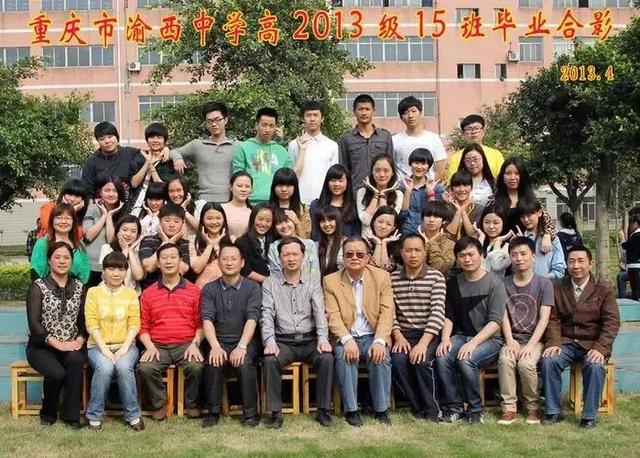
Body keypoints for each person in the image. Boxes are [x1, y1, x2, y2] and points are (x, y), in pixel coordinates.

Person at [541, 246, 620, 428]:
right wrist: (553, 342)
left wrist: (601, 348)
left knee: (594, 365)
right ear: (566, 264)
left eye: (581, 261)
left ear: (591, 263)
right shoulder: (557, 286)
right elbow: (553, 319)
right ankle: (553, 411)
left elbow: (612, 322)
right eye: (571, 261)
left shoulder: (604, 288)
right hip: (566, 342)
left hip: (592, 343)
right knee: (549, 360)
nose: (576, 266)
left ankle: (589, 416)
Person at [261, 237, 335, 428]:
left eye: (295, 254)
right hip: (283, 341)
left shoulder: (313, 282)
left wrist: (322, 339)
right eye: (286, 255)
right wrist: (270, 342)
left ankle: (323, 411)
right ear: (279, 258)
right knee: (270, 360)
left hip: (310, 340)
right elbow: (266, 314)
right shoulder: (270, 283)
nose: (291, 258)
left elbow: (319, 312)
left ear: (304, 256)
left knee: (326, 358)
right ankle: (276, 413)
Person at [324, 236, 395, 427]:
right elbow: (333, 315)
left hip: (373, 335)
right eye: (349, 254)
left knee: (381, 356)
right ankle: (351, 410)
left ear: (368, 257)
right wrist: (347, 340)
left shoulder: (381, 277)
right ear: (343, 257)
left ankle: (381, 410)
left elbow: (387, 312)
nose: (354, 258)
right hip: (347, 335)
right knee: (344, 356)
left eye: (359, 254)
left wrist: (380, 341)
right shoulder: (331, 281)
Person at [435, 237, 506, 424]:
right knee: (442, 356)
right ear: (457, 259)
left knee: (466, 359)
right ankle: (454, 408)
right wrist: (445, 339)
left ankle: (475, 410)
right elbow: (449, 316)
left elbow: (496, 322)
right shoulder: (453, 283)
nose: (467, 259)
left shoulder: (495, 283)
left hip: (490, 340)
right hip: (461, 336)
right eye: (462, 255)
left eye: (471, 254)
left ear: (481, 255)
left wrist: (473, 343)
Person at [138, 243, 204, 421]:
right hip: (158, 345)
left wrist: (195, 344)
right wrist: (149, 347)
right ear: (158, 263)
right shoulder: (148, 293)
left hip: (186, 344)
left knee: (196, 366)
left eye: (173, 257)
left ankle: (191, 403)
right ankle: (159, 403)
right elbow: (143, 326)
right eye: (164, 258)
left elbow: (201, 324)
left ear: (180, 261)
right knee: (146, 368)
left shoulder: (194, 291)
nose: (169, 261)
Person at [26, 241, 87, 428]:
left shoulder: (79, 286)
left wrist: (80, 339)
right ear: (49, 260)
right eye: (57, 257)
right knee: (56, 373)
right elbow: (34, 324)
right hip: (42, 346)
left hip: (71, 344)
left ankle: (71, 417)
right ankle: (48, 412)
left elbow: (84, 320)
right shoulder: (37, 287)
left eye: (66, 257)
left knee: (76, 361)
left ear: (71, 261)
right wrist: (57, 343)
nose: (62, 261)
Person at [201, 243, 262, 428]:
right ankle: (213, 412)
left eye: (233, 259)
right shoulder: (209, 289)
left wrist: (241, 347)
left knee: (244, 363)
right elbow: (207, 320)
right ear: (218, 262)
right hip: (218, 340)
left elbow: (252, 319)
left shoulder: (253, 288)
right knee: (214, 361)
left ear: (242, 263)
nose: (229, 263)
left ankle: (251, 414)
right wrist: (215, 346)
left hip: (245, 340)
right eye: (225, 259)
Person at [84, 251, 144, 431]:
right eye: (111, 269)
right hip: (97, 346)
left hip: (126, 346)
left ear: (126, 271)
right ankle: (94, 415)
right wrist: (104, 349)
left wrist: (124, 348)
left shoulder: (130, 294)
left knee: (124, 368)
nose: (116, 273)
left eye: (121, 269)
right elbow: (91, 322)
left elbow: (134, 322)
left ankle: (133, 415)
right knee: (105, 368)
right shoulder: (93, 292)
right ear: (103, 271)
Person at [497, 237, 554, 426]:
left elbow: (544, 319)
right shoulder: (503, 283)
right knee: (506, 359)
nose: (519, 258)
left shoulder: (544, 283)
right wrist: (510, 340)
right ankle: (509, 408)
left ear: (533, 256)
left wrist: (530, 345)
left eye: (523, 254)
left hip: (535, 340)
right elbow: (503, 316)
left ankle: (532, 407)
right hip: (512, 337)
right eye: (514, 255)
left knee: (526, 363)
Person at [390, 234, 446, 422]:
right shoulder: (393, 278)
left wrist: (422, 344)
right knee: (398, 360)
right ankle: (417, 406)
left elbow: (437, 313)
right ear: (401, 252)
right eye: (408, 250)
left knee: (421, 361)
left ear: (424, 253)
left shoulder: (435, 277)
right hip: (404, 334)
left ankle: (433, 409)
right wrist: (398, 336)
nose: (413, 254)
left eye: (417, 250)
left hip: (428, 334)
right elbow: (390, 312)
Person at [170, 101, 238, 203]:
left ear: (225, 120)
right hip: (205, 202)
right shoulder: (198, 145)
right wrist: (177, 158)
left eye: (217, 120)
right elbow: (172, 152)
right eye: (209, 121)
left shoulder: (238, 146)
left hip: (231, 202)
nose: (213, 124)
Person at [489, 157, 555, 248]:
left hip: (525, 249)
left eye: (517, 173)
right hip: (499, 249)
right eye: (508, 173)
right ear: (502, 176)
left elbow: (548, 222)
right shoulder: (493, 200)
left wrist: (547, 236)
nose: (512, 177)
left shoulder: (531, 199)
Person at [232, 107, 293, 204]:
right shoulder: (244, 147)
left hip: (276, 203)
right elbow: (237, 175)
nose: (267, 129)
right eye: (264, 125)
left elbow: (290, 177)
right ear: (256, 126)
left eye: (271, 126)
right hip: (250, 202)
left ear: (275, 128)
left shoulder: (282, 151)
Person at [338, 94, 393, 194]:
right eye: (360, 109)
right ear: (354, 111)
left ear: (373, 111)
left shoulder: (385, 136)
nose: (364, 113)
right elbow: (343, 168)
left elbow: (391, 165)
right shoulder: (346, 138)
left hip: (382, 191)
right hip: (355, 191)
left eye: (367, 109)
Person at [289, 101, 339, 205]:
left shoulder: (332, 145)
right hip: (299, 201)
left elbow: (334, 176)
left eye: (316, 115)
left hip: (324, 201)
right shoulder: (293, 145)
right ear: (303, 118)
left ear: (322, 118)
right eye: (308, 115)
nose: (312, 119)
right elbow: (291, 174)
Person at [30, 203, 90, 284]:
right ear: (52, 221)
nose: (63, 222)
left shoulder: (79, 245)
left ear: (73, 222)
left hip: (75, 289)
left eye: (68, 218)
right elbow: (36, 273)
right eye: (59, 218)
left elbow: (85, 274)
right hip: (47, 289)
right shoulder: (42, 244)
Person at [83, 177, 126, 287]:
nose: (111, 194)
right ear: (100, 192)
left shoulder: (123, 213)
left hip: (111, 268)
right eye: (107, 190)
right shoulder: (92, 209)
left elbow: (111, 240)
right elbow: (88, 236)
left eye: (115, 191)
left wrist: (110, 215)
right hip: (89, 265)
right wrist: (104, 215)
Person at [392, 96, 447, 182]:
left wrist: (426, 186)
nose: (410, 116)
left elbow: (441, 171)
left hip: (428, 188)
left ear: (420, 113)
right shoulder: (394, 140)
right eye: (405, 113)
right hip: (402, 188)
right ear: (401, 117)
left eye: (413, 111)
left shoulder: (434, 139)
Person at [138, 203, 191, 291]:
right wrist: (165, 243)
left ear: (183, 223)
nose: (171, 225)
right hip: (150, 291)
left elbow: (181, 270)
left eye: (176, 221)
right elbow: (149, 267)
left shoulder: (186, 244)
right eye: (167, 220)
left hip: (179, 293)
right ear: (159, 221)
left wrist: (171, 242)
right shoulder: (148, 240)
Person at [129, 122, 175, 214]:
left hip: (159, 204)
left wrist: (151, 165)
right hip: (137, 202)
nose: (155, 140)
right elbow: (134, 184)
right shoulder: (139, 156)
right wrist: (147, 162)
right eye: (152, 137)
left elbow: (164, 187)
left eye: (159, 137)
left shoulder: (168, 159)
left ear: (164, 140)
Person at [81, 122, 139, 195]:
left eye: (110, 137)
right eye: (102, 139)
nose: (107, 141)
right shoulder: (92, 161)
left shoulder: (131, 153)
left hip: (130, 199)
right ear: (98, 141)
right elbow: (87, 188)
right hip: (101, 200)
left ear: (117, 137)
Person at [517, 196, 566, 281]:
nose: (526, 219)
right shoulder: (519, 238)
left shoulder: (552, 240)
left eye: (529, 215)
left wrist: (542, 279)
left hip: (546, 286)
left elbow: (559, 270)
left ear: (539, 213)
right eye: (522, 217)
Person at [447, 114, 504, 184]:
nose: (473, 132)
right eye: (469, 129)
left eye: (477, 128)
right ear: (464, 134)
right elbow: (452, 183)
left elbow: (502, 179)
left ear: (483, 131)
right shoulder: (456, 157)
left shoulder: (496, 154)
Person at [310, 164, 361, 241]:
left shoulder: (355, 205)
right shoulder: (316, 205)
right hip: (322, 247)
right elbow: (315, 234)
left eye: (341, 180)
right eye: (333, 180)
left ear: (348, 182)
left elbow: (357, 235)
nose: (337, 184)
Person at [399, 148, 444, 235]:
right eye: (416, 163)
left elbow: (436, 215)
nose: (419, 167)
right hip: (406, 233)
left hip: (429, 234)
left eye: (423, 164)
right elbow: (401, 216)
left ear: (429, 167)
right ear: (410, 164)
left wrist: (430, 193)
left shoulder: (437, 188)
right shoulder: (401, 186)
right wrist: (408, 191)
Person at [268, 208, 320, 279]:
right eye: (279, 223)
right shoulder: (273, 247)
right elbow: (275, 274)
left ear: (294, 222)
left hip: (310, 284)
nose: (284, 226)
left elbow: (315, 272)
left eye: (287, 221)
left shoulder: (309, 244)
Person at [356, 153, 403, 231]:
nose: (381, 175)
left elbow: (386, 221)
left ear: (392, 173)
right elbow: (365, 221)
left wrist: (383, 195)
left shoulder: (398, 194)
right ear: (372, 172)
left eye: (386, 171)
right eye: (377, 170)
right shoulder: (362, 192)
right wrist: (376, 195)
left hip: (388, 238)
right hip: (365, 238)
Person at [98, 214, 144, 294]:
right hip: (109, 294)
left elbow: (138, 276)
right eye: (125, 230)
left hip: (132, 296)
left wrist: (130, 251)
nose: (128, 234)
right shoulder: (107, 248)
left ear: (137, 235)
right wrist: (125, 251)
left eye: (133, 231)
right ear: (117, 231)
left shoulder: (139, 251)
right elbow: (110, 275)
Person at [190, 202, 231, 288]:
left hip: (226, 289)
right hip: (202, 289)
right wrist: (210, 245)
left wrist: (216, 246)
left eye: (218, 218)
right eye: (209, 218)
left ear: (224, 219)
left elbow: (230, 266)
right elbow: (197, 269)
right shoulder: (194, 240)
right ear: (202, 220)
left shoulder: (232, 240)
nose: (214, 222)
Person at [235, 203, 274, 284]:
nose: (263, 224)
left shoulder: (274, 240)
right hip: (252, 285)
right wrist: (268, 282)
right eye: (260, 219)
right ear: (253, 218)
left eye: (268, 221)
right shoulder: (242, 242)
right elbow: (244, 270)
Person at [269, 167, 312, 239]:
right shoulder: (267, 209)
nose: (284, 189)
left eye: (288, 186)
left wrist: (296, 222)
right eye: (280, 185)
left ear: (295, 187)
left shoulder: (303, 209)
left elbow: (306, 239)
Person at [473, 206, 513, 277]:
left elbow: (496, 265)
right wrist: (481, 239)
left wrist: (498, 241)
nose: (491, 226)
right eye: (487, 222)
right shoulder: (479, 241)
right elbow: (474, 263)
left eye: (496, 223)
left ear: (504, 223)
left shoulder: (508, 246)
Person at [418, 201, 455, 277]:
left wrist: (431, 243)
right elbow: (415, 265)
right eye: (428, 216)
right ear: (422, 218)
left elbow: (440, 268)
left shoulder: (450, 244)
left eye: (436, 216)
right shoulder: (412, 241)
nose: (431, 220)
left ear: (443, 221)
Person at [445, 170, 484, 241]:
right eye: (457, 185)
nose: (462, 189)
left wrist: (463, 213)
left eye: (465, 185)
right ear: (452, 188)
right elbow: (449, 235)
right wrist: (458, 213)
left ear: (471, 187)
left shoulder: (479, 209)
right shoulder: (445, 208)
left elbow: (473, 235)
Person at [363, 206, 401, 273]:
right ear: (373, 222)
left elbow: (385, 270)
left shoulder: (398, 246)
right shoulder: (364, 243)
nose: (383, 226)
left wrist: (384, 243)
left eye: (388, 224)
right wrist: (378, 243)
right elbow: (373, 271)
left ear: (393, 227)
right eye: (380, 222)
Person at [221, 171, 253, 240]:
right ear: (231, 187)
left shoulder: (253, 212)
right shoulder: (221, 209)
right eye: (239, 186)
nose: (243, 190)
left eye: (247, 186)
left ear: (251, 189)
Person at [316, 205, 345, 277]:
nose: (327, 224)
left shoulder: (347, 244)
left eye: (330, 220)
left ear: (338, 221)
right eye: (323, 221)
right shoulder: (316, 246)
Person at [622, 214, 640, 300]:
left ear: (635, 223)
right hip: (635, 264)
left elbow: (626, 245)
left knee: (635, 289)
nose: (630, 226)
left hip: (635, 265)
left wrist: (622, 238)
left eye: (630, 224)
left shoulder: (637, 235)